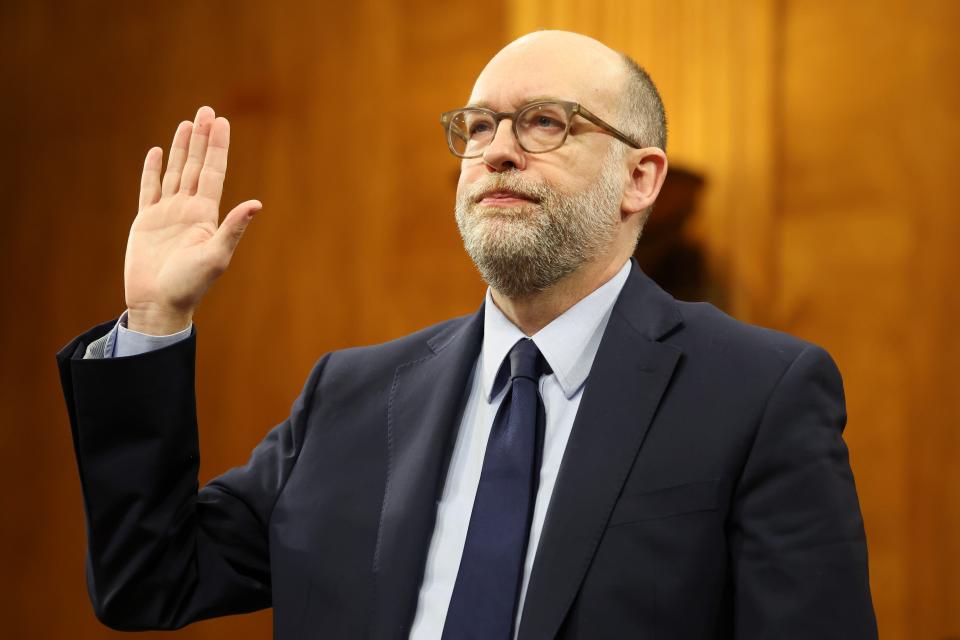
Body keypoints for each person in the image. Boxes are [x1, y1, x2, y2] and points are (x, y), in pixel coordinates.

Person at [57, 30, 878, 639]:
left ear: (640, 178)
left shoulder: (757, 392)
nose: (496, 153)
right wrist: (158, 321)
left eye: (545, 124)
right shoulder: (351, 394)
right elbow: (150, 580)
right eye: (478, 127)